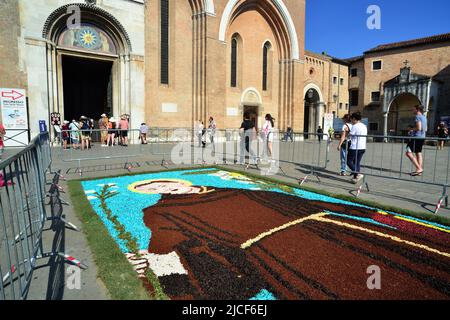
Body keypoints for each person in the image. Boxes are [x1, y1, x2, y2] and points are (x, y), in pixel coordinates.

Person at [406, 105, 427, 176]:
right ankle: (419, 171)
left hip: (416, 137)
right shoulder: (424, 117)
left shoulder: (417, 117)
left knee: (408, 153)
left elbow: (419, 128)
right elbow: (425, 129)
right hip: (422, 137)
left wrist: (411, 129)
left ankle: (419, 168)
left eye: (413, 109)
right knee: (418, 153)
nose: (413, 110)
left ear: (417, 110)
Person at [347, 112, 367, 184]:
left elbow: (350, 135)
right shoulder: (364, 126)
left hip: (355, 146)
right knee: (357, 162)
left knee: (349, 161)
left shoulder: (355, 126)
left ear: (354, 119)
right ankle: (355, 177)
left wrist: (347, 132)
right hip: (362, 147)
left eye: (352, 119)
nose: (351, 121)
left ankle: (358, 174)